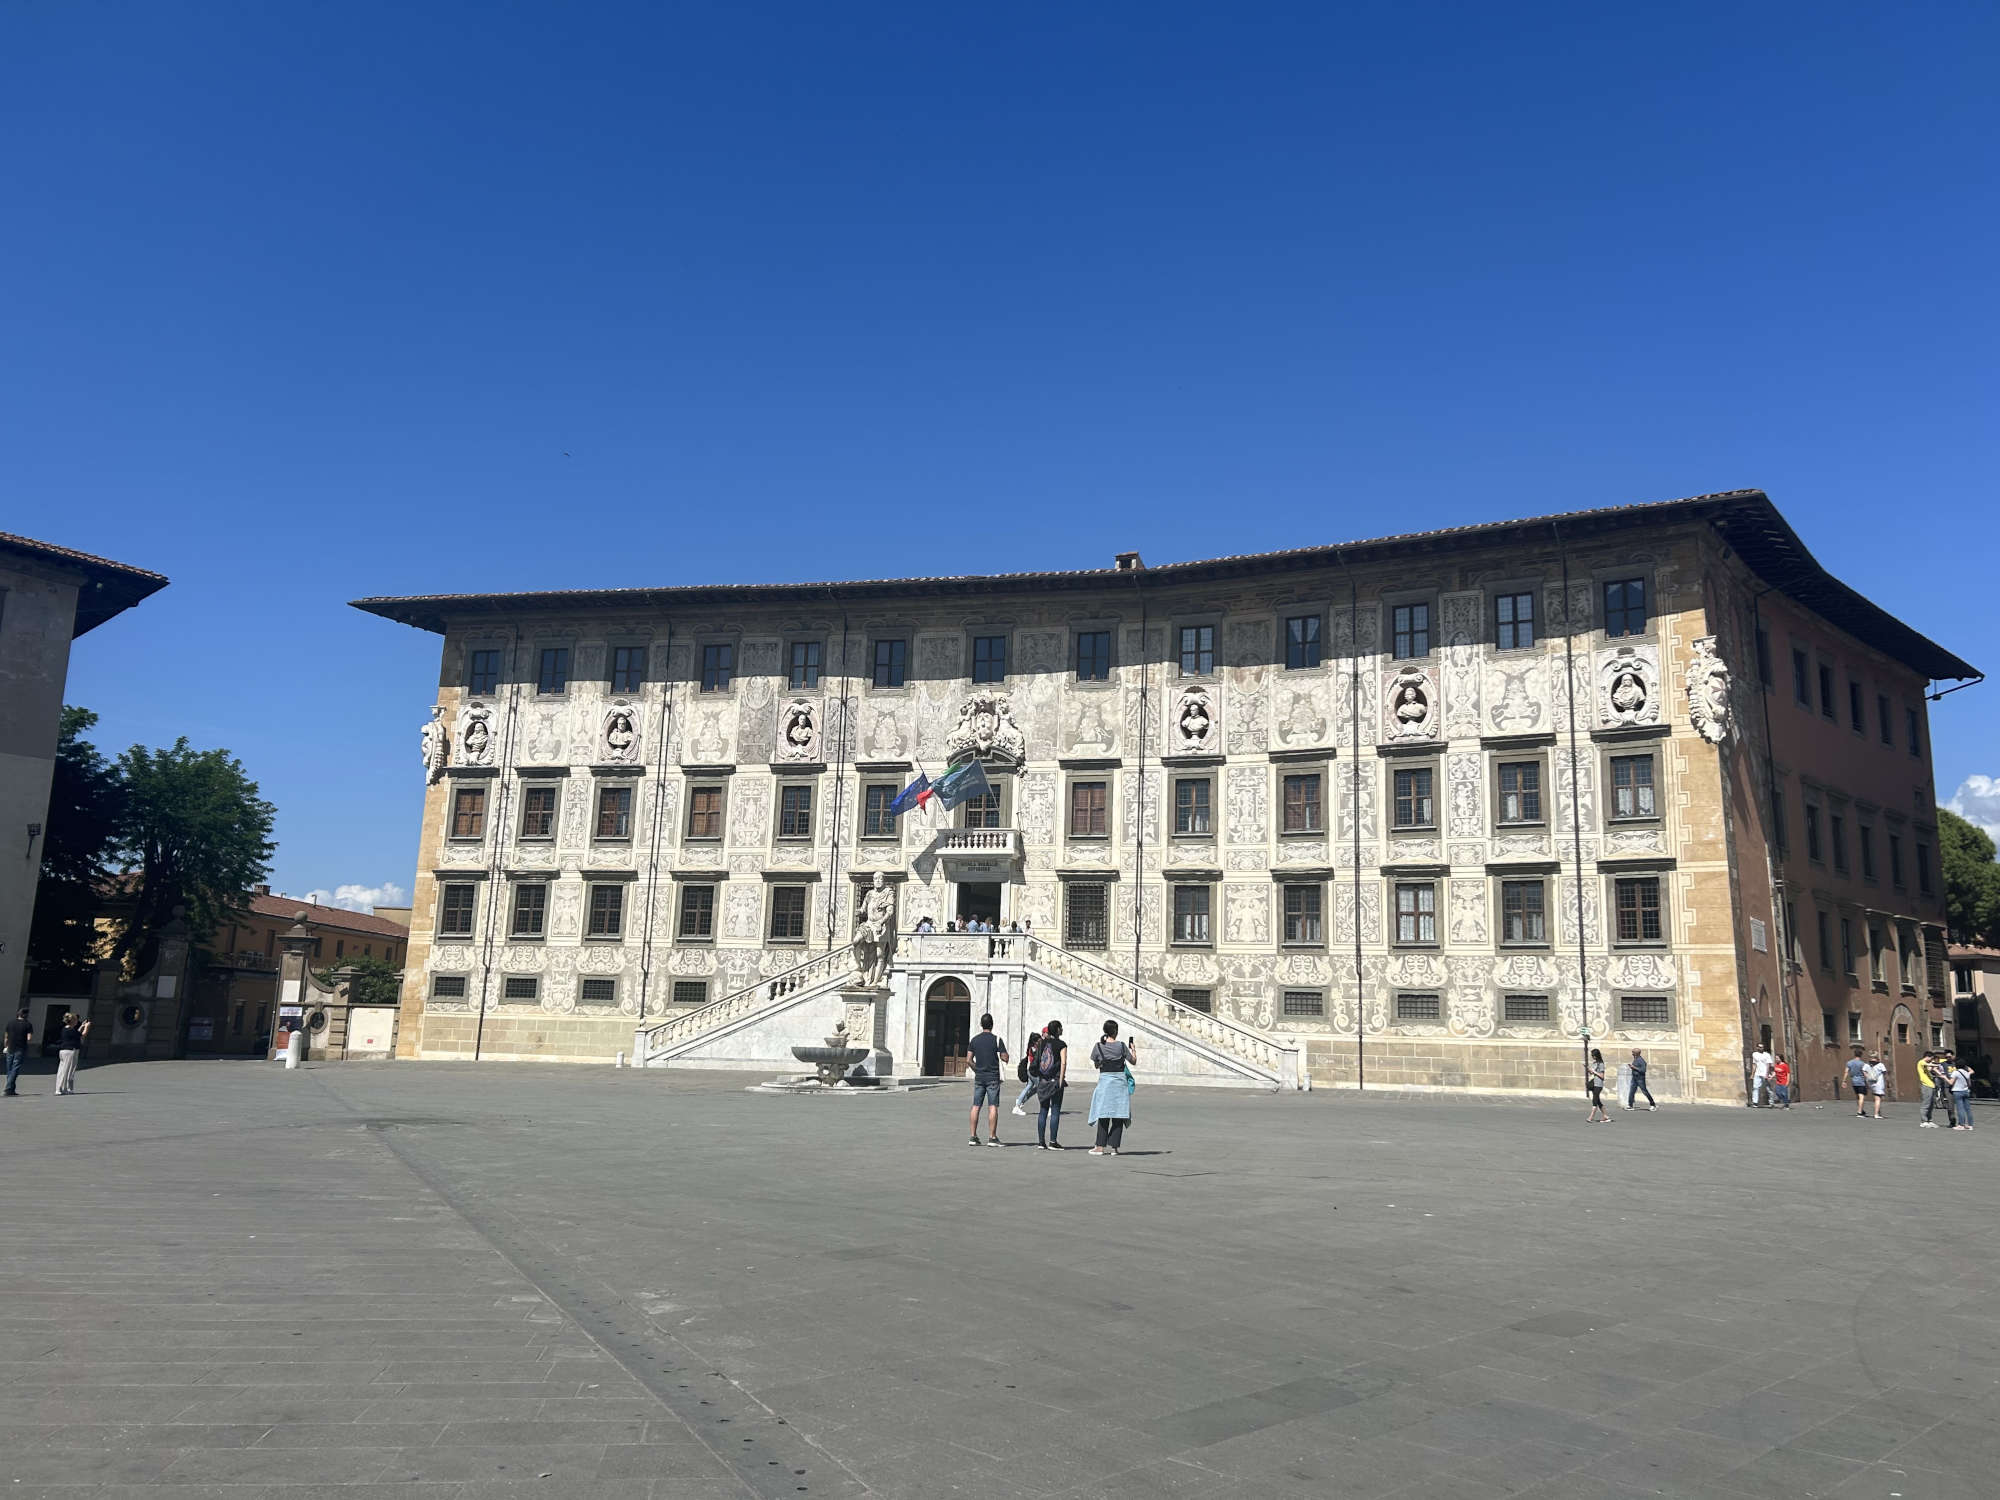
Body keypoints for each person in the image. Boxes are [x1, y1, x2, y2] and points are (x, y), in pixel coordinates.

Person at [1086, 1020, 1137, 1155]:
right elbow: (1133, 1061)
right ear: (1115, 1031)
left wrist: (1102, 1062)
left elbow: (1096, 1064)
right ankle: (1114, 1147)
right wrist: (1133, 1049)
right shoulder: (1121, 1046)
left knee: (1103, 1114)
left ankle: (1100, 1147)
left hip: (1105, 1083)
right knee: (1118, 1114)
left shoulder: (1098, 1046)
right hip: (1120, 1083)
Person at [965, 1013, 1008, 1146]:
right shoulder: (997, 1039)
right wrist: (1004, 1055)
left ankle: (973, 1136)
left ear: (981, 1024)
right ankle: (992, 1137)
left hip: (980, 1077)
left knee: (976, 1105)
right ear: (992, 1024)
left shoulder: (974, 1040)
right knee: (993, 1106)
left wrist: (977, 1069)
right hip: (993, 1077)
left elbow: (968, 1060)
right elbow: (1005, 1058)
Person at [1033, 1019, 1067, 1150]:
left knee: (1043, 1110)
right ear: (1057, 1030)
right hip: (1055, 1080)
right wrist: (1061, 1079)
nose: (1062, 1030)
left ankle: (1041, 1142)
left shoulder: (1042, 1043)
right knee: (1055, 1110)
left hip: (1042, 1080)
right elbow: (1063, 1062)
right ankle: (1053, 1141)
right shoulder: (1061, 1044)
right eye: (1061, 1028)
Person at [54, 1012, 90, 1096]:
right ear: (72, 1021)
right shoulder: (70, 1030)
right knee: (67, 1070)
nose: (77, 1021)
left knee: (63, 1070)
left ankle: (62, 1088)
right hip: (69, 1051)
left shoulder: (66, 1029)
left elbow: (76, 1034)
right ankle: (61, 1089)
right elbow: (82, 1035)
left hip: (64, 1051)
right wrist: (87, 1027)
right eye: (76, 1020)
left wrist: (82, 1026)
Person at [1011, 1027, 1045, 1116]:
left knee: (1030, 1087)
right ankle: (1045, 1108)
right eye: (1039, 1040)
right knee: (1041, 1089)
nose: (1040, 1041)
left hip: (1031, 1071)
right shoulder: (1034, 1050)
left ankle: (1019, 1102)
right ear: (1035, 1042)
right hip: (1034, 1072)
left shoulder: (1032, 1048)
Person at [3, 1007, 31, 1096]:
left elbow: (6, 1037)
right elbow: (29, 1038)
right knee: (15, 1068)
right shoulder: (28, 1024)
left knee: (9, 1069)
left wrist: (6, 1046)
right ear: (25, 1015)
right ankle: (8, 1088)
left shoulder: (10, 1023)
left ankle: (11, 1089)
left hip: (10, 1047)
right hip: (20, 1048)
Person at [1919, 1051, 1947, 1128]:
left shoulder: (1927, 1066)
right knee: (1926, 1103)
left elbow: (1932, 1069)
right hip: (1926, 1085)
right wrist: (1936, 1064)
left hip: (1931, 1085)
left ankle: (1929, 1120)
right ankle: (1923, 1121)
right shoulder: (1921, 1062)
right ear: (1927, 1057)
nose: (1931, 1060)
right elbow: (1928, 1064)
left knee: (1931, 1104)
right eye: (1931, 1058)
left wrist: (1942, 1075)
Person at [1586, 1048, 1611, 1123]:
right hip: (1595, 1083)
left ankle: (1590, 1117)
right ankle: (1605, 1116)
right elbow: (1592, 1073)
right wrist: (1589, 1070)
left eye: (1593, 1055)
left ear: (1596, 1055)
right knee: (1598, 1101)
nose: (1592, 1056)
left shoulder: (1601, 1064)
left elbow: (1602, 1076)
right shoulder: (1595, 1063)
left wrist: (1594, 1072)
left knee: (1594, 1101)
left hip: (1599, 1084)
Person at [1950, 1059, 1975, 1130]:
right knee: (1968, 1109)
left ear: (1956, 1065)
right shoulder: (1967, 1073)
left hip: (1957, 1092)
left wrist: (1944, 1077)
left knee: (1960, 1109)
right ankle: (1970, 1125)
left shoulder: (1955, 1072)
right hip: (1966, 1091)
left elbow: (1951, 1082)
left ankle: (1961, 1125)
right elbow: (1969, 1084)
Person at [1862, 1052, 1888, 1119]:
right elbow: (1884, 1072)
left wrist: (1868, 1077)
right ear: (1877, 1057)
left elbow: (1864, 1071)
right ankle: (1876, 1114)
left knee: (1875, 1098)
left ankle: (1878, 1113)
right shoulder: (1880, 1065)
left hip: (1870, 1083)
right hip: (1878, 1083)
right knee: (1878, 1099)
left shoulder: (1866, 1064)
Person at [1748, 1042, 1774, 1107]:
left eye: (1762, 1047)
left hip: (1765, 1073)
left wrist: (1767, 1074)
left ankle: (1771, 1102)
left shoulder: (1767, 1055)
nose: (1761, 1048)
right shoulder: (1754, 1054)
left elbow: (1768, 1065)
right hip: (1757, 1073)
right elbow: (1754, 1064)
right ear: (1757, 1047)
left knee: (1768, 1088)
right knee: (1755, 1087)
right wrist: (1752, 1074)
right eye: (1760, 1047)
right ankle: (1755, 1102)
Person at [1844, 1049, 1869, 1116]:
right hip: (1861, 1081)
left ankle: (1861, 1110)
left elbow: (1846, 1072)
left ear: (1854, 1054)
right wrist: (1868, 1082)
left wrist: (1844, 1081)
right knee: (1861, 1097)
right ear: (1861, 1055)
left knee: (1857, 1097)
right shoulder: (1863, 1064)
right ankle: (1859, 1111)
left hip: (1854, 1082)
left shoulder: (1849, 1063)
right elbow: (1865, 1074)